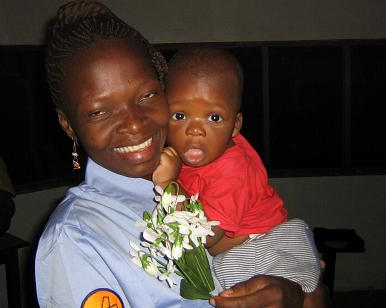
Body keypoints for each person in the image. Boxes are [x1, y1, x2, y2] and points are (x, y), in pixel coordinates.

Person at [35, 1, 327, 307]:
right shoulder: (77, 238)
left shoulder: (189, 174)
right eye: (99, 112)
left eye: (147, 95)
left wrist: (294, 295)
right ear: (68, 125)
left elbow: (313, 298)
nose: (134, 123)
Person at [163, 47, 320, 293]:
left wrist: (168, 185)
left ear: (235, 126)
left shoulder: (233, 168)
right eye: (180, 115)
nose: (195, 130)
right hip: (238, 256)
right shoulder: (192, 156)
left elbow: (205, 236)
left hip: (261, 255)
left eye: (214, 118)